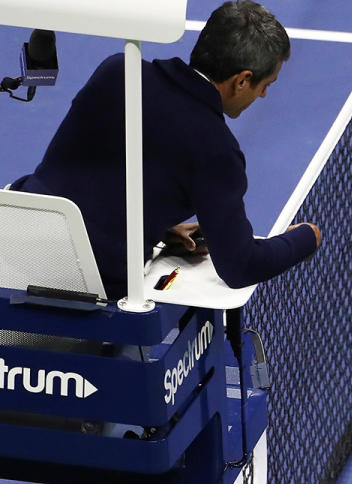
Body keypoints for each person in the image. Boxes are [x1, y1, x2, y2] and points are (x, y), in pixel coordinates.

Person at [9, 1, 320, 299]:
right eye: (265, 85)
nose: (264, 96)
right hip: (85, 282)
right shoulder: (217, 149)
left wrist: (154, 227)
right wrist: (305, 237)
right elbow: (241, 265)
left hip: (14, 240)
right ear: (242, 80)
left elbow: (97, 175)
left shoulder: (117, 71)